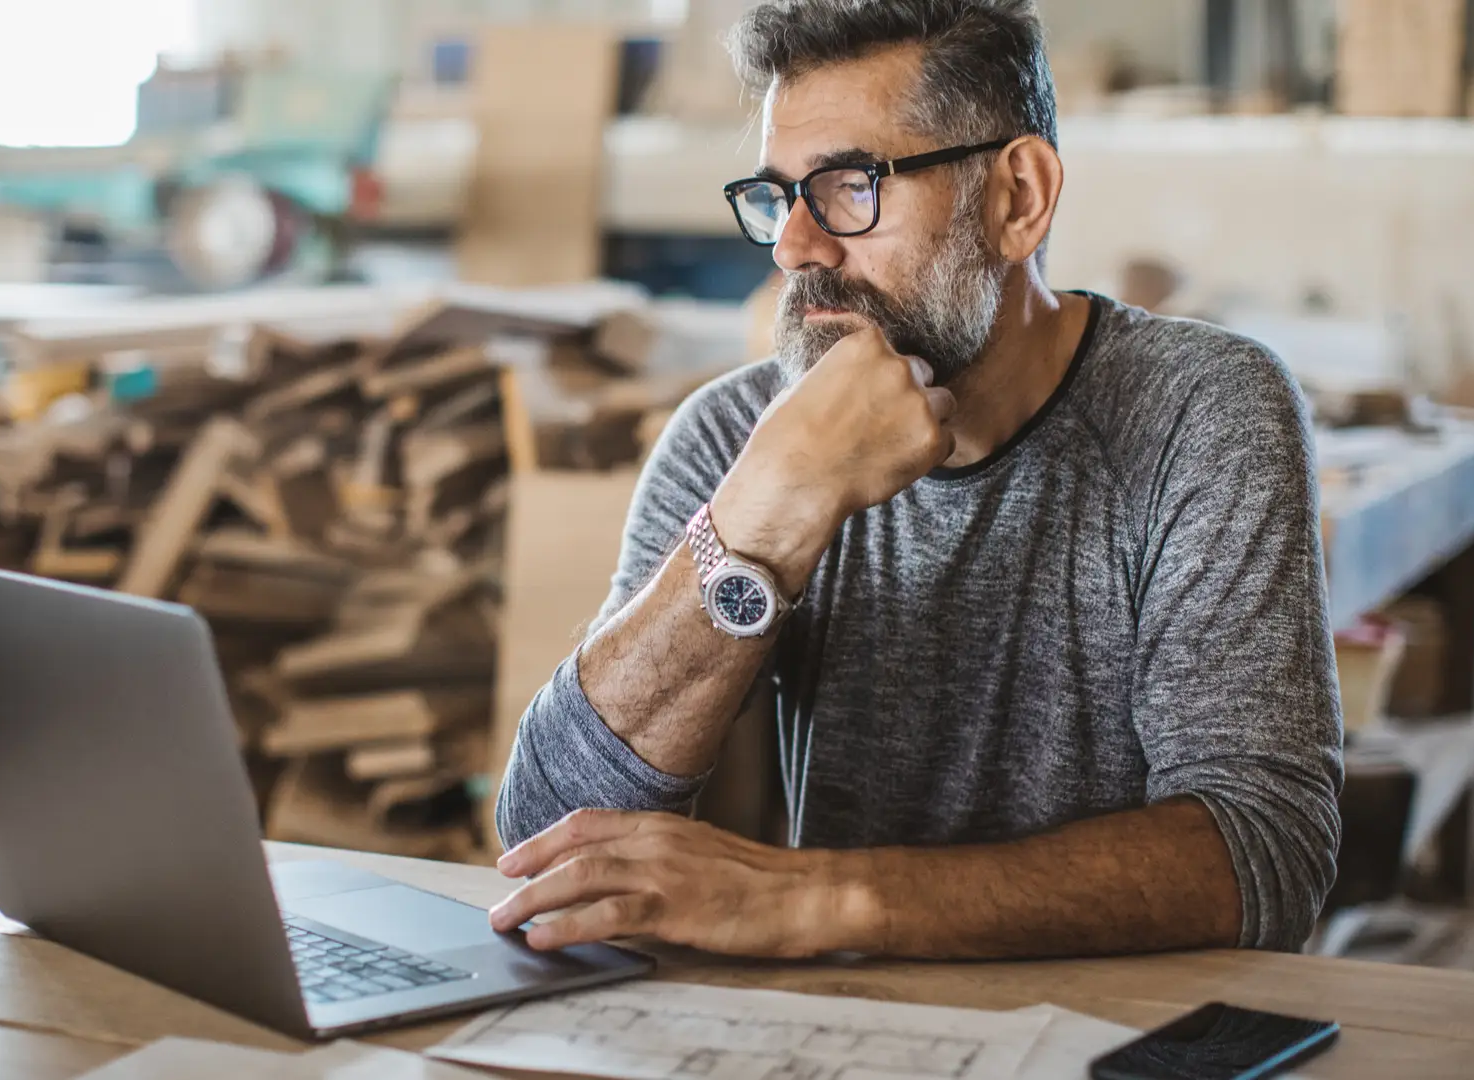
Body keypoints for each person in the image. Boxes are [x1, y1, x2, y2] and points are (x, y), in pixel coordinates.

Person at [488, 0, 1342, 960]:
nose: (794, 250)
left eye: (850, 187)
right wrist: (765, 515)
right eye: (778, 197)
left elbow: (1265, 852)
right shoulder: (738, 437)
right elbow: (546, 842)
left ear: (1018, 197)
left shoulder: (1203, 410)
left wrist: (819, 902)